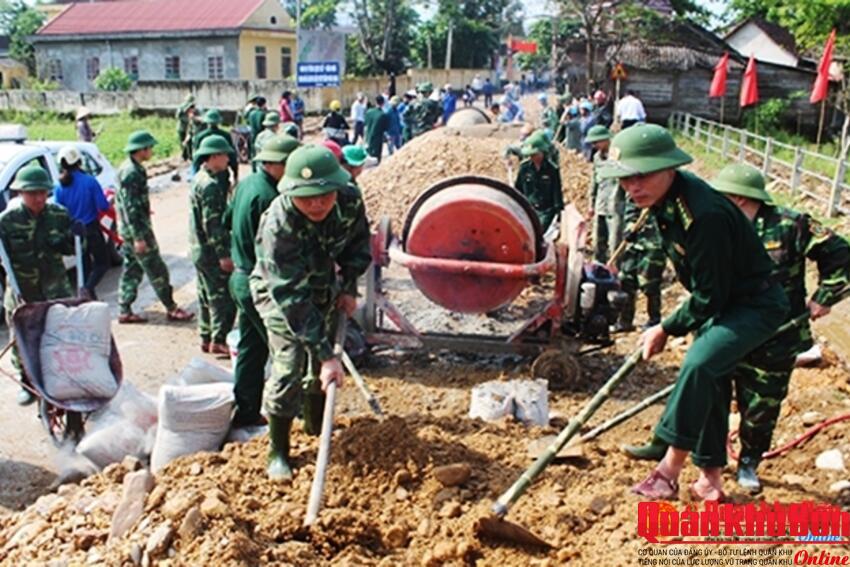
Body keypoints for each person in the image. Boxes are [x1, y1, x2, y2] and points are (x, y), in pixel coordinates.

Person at [624, 163, 850, 493]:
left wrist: (824, 296)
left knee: (761, 405)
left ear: (740, 200)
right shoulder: (713, 224)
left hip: (776, 333)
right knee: (710, 392)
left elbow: (841, 253)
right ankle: (706, 470)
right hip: (726, 323)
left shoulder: (791, 224)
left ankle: (749, 462)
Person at [597, 124, 789, 502]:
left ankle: (667, 470)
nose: (633, 186)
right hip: (727, 301)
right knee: (712, 380)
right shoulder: (664, 201)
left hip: (754, 304)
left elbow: (710, 296)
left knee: (699, 363)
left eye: (643, 175)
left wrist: (665, 328)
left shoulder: (703, 215)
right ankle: (710, 479)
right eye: (626, 178)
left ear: (669, 168)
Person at [250, 144, 371, 480]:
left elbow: (359, 246)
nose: (316, 204)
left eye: (323, 195)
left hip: (323, 286)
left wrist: (348, 286)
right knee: (289, 367)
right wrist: (327, 354)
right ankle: (278, 451)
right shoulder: (279, 224)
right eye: (305, 197)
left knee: (319, 367)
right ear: (290, 191)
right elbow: (290, 296)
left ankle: (315, 428)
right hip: (279, 294)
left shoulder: (348, 199)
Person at [227, 135, 300, 427]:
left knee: (251, 347)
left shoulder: (245, 184)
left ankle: (246, 412)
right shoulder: (270, 198)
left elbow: (226, 221)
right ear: (276, 165)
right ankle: (289, 415)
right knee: (285, 351)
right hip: (260, 282)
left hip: (240, 278)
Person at [0, 165, 81, 405]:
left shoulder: (58, 214)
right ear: (20, 194)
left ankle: (66, 373)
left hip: (55, 286)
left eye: (42, 193)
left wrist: (72, 239)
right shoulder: (7, 221)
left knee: (61, 331)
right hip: (23, 289)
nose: (38, 198)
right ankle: (26, 380)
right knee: (21, 336)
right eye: (32, 193)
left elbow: (73, 248)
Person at [116, 130, 194, 324]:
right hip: (138, 231)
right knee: (156, 269)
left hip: (130, 230)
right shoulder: (132, 173)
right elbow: (131, 207)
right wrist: (139, 237)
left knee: (132, 269)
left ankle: (124, 309)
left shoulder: (128, 168)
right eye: (149, 148)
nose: (151, 151)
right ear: (141, 150)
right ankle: (172, 308)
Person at [190, 135, 237, 355]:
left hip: (198, 248)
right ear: (214, 156)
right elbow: (214, 224)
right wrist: (224, 255)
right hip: (210, 251)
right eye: (225, 155)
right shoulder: (209, 187)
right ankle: (219, 339)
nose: (228, 159)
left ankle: (206, 336)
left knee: (205, 295)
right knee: (221, 297)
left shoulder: (199, 178)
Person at [52, 145, 110, 299]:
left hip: (73, 232)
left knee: (84, 267)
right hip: (91, 228)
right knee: (102, 263)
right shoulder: (90, 181)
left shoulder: (58, 187)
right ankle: (87, 289)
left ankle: (88, 295)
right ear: (79, 161)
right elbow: (103, 206)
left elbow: (59, 212)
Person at [616, 190, 666, 332]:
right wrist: (630, 227)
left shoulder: (662, 187)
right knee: (626, 279)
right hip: (635, 241)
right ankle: (625, 321)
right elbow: (630, 210)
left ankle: (654, 320)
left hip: (654, 242)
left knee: (650, 283)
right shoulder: (635, 188)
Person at [585, 126, 624, 265]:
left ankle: (615, 267)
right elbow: (594, 182)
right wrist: (591, 204)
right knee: (598, 239)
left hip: (616, 205)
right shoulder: (597, 157)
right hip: (600, 204)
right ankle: (599, 265)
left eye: (597, 142)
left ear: (606, 139)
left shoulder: (618, 157)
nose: (595, 146)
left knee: (615, 241)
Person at [514, 134, 564, 231]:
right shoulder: (524, 168)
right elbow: (518, 189)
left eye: (535, 154)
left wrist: (559, 213)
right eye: (530, 155)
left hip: (546, 210)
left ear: (542, 152)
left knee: (538, 231)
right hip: (529, 208)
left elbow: (556, 192)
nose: (532, 157)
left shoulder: (552, 169)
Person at [192, 109, 239, 187]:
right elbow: (232, 156)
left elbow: (196, 158)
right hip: (222, 171)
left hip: (206, 171)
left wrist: (195, 176)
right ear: (218, 121)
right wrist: (235, 174)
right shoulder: (225, 135)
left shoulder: (200, 136)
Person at [364, 95, 390, 162]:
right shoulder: (383, 115)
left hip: (368, 138)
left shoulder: (369, 112)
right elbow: (385, 128)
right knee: (377, 158)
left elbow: (365, 125)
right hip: (377, 139)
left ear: (375, 102)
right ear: (383, 103)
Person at [176, 94, 197, 161]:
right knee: (183, 141)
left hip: (189, 127)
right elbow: (177, 116)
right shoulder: (181, 107)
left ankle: (190, 156)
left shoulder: (192, 106)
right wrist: (187, 119)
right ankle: (184, 156)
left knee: (189, 142)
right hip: (182, 127)